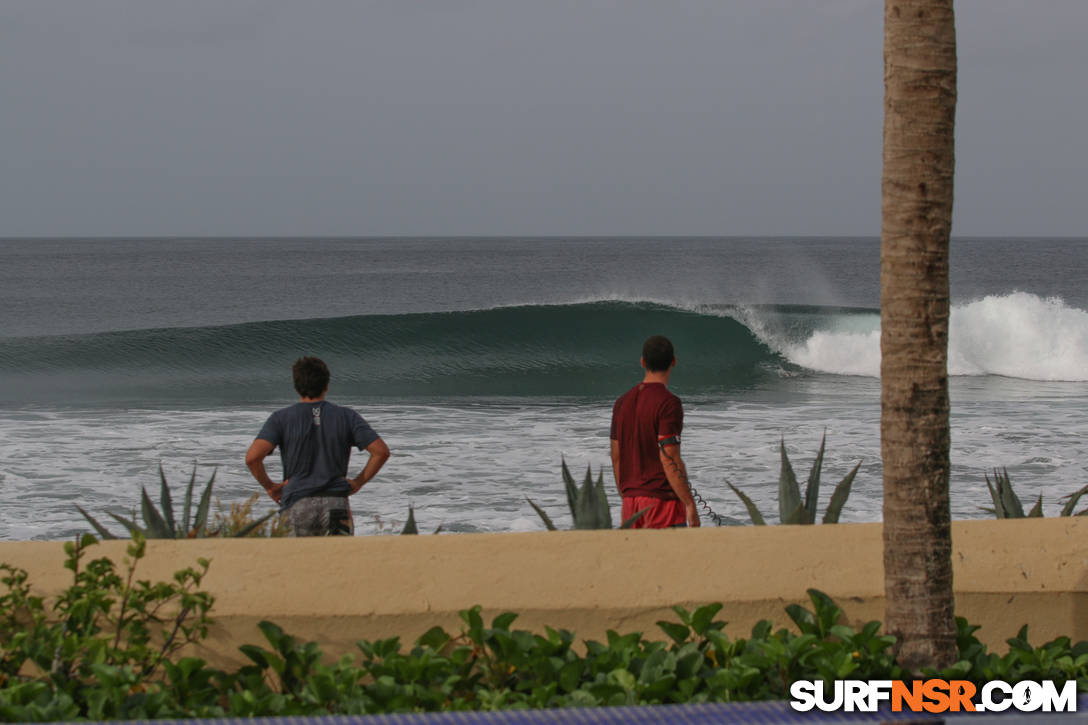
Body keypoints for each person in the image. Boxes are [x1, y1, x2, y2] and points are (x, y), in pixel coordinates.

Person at [245, 356, 390, 536]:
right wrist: (358, 482)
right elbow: (381, 452)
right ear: (326, 385)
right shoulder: (346, 416)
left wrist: (270, 487)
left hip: (297, 503)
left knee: (296, 561)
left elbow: (252, 458)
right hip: (336, 504)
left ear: (296, 386)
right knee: (338, 561)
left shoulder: (280, 418)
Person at [609, 335, 700, 529]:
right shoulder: (668, 403)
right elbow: (669, 458)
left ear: (642, 362)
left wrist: (628, 495)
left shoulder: (621, 403)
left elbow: (616, 456)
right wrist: (689, 503)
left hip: (630, 505)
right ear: (673, 361)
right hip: (663, 505)